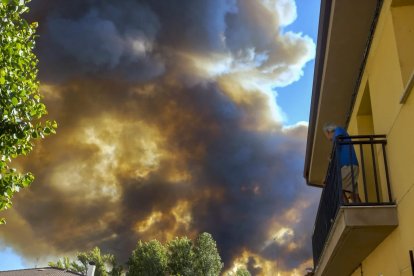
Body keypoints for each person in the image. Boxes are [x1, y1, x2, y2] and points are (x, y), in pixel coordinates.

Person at [323, 123, 360, 203]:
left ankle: (346, 207)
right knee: (353, 193)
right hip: (351, 166)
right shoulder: (338, 136)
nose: (329, 139)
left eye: (328, 137)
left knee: (334, 184)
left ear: (329, 132)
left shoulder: (338, 130)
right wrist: (333, 159)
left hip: (349, 166)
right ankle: (362, 210)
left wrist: (333, 155)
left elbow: (338, 139)